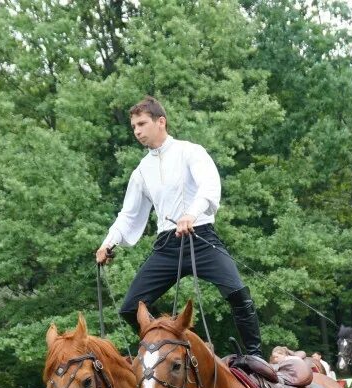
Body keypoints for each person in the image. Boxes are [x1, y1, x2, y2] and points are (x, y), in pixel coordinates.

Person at [95, 96, 262, 357]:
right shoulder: (141, 171)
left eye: (142, 124)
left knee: (238, 293)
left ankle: (255, 357)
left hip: (200, 237)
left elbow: (209, 187)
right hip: (167, 246)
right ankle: (160, 351)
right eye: (134, 127)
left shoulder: (190, 151)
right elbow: (128, 214)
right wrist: (108, 243)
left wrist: (191, 214)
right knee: (130, 308)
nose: (137, 131)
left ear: (160, 122)